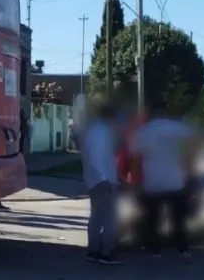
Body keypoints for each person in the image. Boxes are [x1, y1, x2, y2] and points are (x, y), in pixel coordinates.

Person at [130, 100, 196, 260]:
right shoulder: (177, 128)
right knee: (178, 219)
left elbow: (135, 159)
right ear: (166, 113)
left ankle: (155, 251)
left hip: (152, 181)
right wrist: (188, 165)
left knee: (153, 218)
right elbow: (194, 141)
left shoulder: (143, 132)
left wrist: (135, 181)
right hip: (175, 180)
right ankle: (183, 250)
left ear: (151, 114)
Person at [82, 100, 123, 265]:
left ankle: (93, 250)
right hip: (103, 181)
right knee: (109, 219)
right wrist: (105, 178)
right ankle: (107, 252)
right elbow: (96, 158)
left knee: (96, 217)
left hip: (95, 180)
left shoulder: (94, 130)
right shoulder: (102, 132)